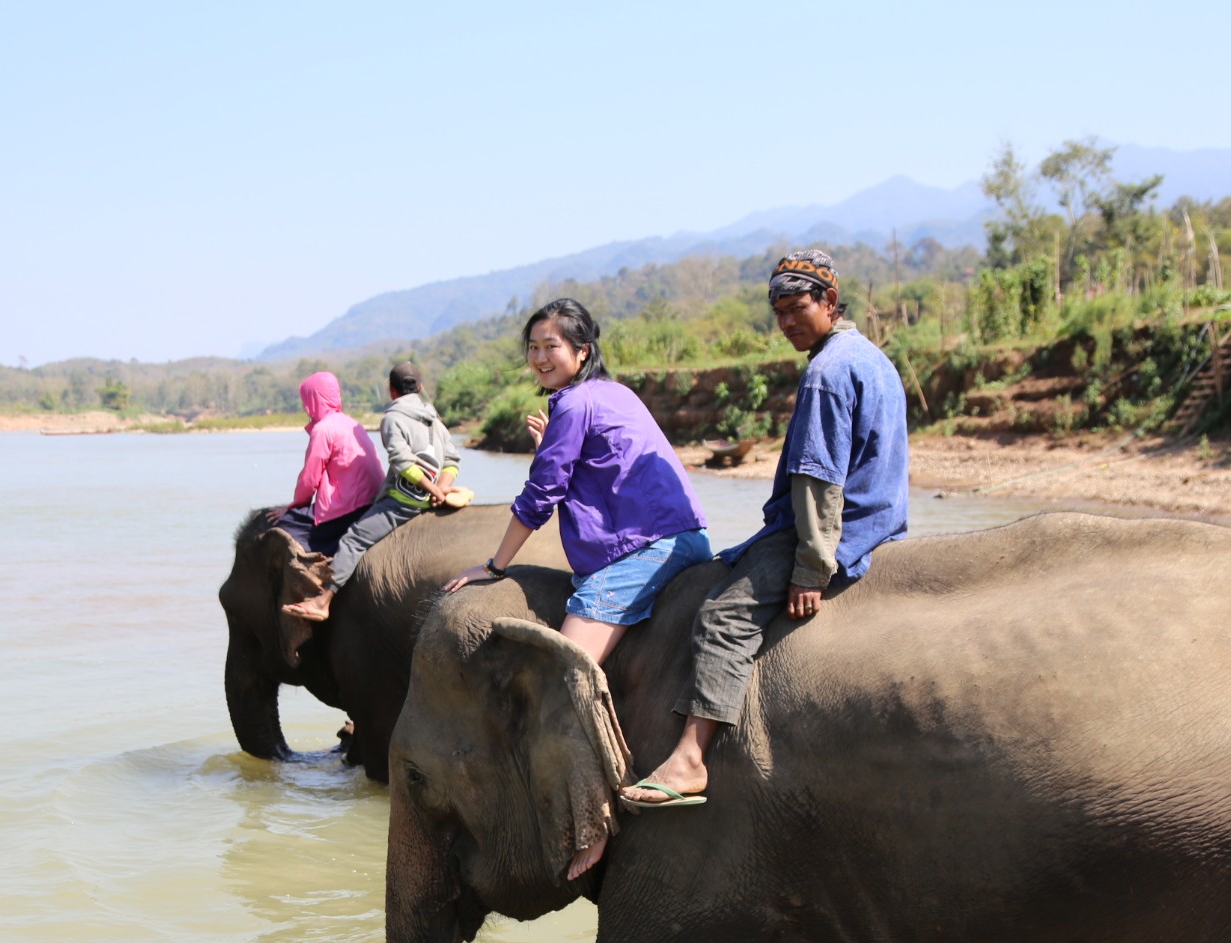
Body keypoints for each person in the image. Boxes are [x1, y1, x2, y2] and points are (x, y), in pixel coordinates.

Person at [620, 249, 910, 810]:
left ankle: (689, 759)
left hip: (836, 530)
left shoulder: (826, 373)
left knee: (722, 617)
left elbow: (817, 482)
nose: (786, 324)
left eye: (798, 308)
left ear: (829, 301)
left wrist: (811, 567)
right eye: (778, 312)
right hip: (882, 521)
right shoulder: (871, 357)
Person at [445, 297, 711, 873]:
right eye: (533, 347)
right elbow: (599, 474)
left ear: (581, 351)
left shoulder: (573, 403)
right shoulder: (615, 394)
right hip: (687, 540)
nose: (541, 357)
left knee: (562, 680)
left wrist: (493, 568)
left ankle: (595, 822)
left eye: (552, 346)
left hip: (639, 553)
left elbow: (541, 495)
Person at [284, 362, 462, 621]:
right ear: (420, 387)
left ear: (391, 391)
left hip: (404, 499)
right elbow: (452, 460)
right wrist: (442, 489)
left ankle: (323, 601)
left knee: (354, 539)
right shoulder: (433, 417)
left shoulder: (392, 418)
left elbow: (402, 462)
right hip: (431, 494)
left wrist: (433, 490)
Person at [268, 371, 383, 557]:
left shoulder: (323, 429)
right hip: (375, 499)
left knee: (285, 525)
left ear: (313, 400)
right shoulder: (352, 423)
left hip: (350, 507)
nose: (305, 407)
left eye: (306, 400)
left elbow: (309, 479)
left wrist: (293, 507)